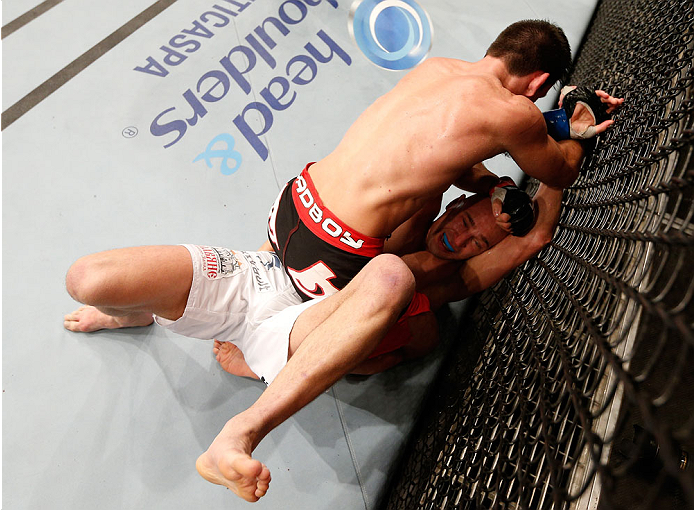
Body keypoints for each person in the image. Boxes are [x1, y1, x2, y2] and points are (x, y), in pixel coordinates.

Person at [64, 180, 562, 502]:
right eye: (467, 221)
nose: (462, 238)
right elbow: (449, 149)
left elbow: (533, 238)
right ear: (457, 202)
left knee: (391, 277)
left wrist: (567, 146)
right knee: (90, 280)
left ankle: (240, 431)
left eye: (478, 242)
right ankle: (134, 315)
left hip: (295, 329)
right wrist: (498, 180)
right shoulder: (415, 208)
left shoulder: (448, 281)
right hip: (262, 275)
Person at [268, 19, 623, 301]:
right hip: (333, 250)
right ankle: (269, 363)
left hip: (292, 201)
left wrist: (494, 184)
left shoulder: (436, 68)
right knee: (419, 327)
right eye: (539, 97)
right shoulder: (513, 111)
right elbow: (561, 173)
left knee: (425, 198)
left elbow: (441, 158)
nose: (532, 104)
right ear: (538, 83)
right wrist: (576, 127)